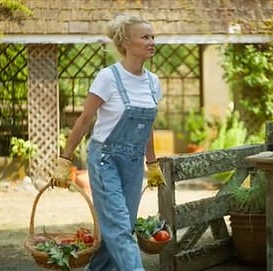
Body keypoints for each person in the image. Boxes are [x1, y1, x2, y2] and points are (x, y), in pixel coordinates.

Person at [52, 14, 165, 271]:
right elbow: (84, 121)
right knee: (121, 228)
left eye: (153, 37)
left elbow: (147, 125)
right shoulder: (108, 77)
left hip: (134, 162)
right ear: (126, 42)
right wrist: (65, 159)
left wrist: (153, 163)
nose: (151, 42)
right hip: (106, 160)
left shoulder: (153, 82)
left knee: (117, 228)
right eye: (145, 37)